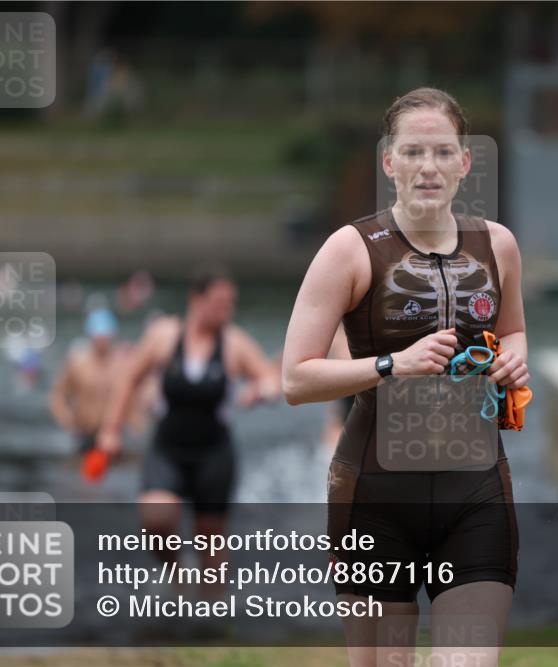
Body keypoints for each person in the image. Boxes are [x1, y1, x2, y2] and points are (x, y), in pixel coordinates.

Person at [282, 88, 529, 667]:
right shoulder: (350, 249)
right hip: (375, 494)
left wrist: (516, 359)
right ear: (388, 162)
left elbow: (514, 331)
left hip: (477, 491)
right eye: (413, 152)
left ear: (465, 163)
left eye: (443, 152)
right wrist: (393, 364)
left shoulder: (497, 245)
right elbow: (295, 379)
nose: (428, 167)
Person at [97, 269, 281, 594]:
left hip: (214, 452)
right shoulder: (164, 336)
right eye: (220, 303)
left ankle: (212, 621)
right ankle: (178, 574)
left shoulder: (233, 343)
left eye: (231, 304)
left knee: (210, 539)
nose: (227, 310)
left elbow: (269, 377)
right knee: (155, 518)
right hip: (168, 447)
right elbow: (129, 378)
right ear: (196, 300)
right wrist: (111, 431)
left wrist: (260, 391)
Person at [49, 309, 132, 455]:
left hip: (112, 434)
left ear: (112, 335)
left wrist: (136, 423)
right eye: (99, 337)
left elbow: (136, 397)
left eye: (105, 337)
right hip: (84, 433)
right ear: (92, 336)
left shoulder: (123, 364)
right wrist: (67, 421)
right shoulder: (78, 364)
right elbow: (58, 396)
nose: (102, 341)